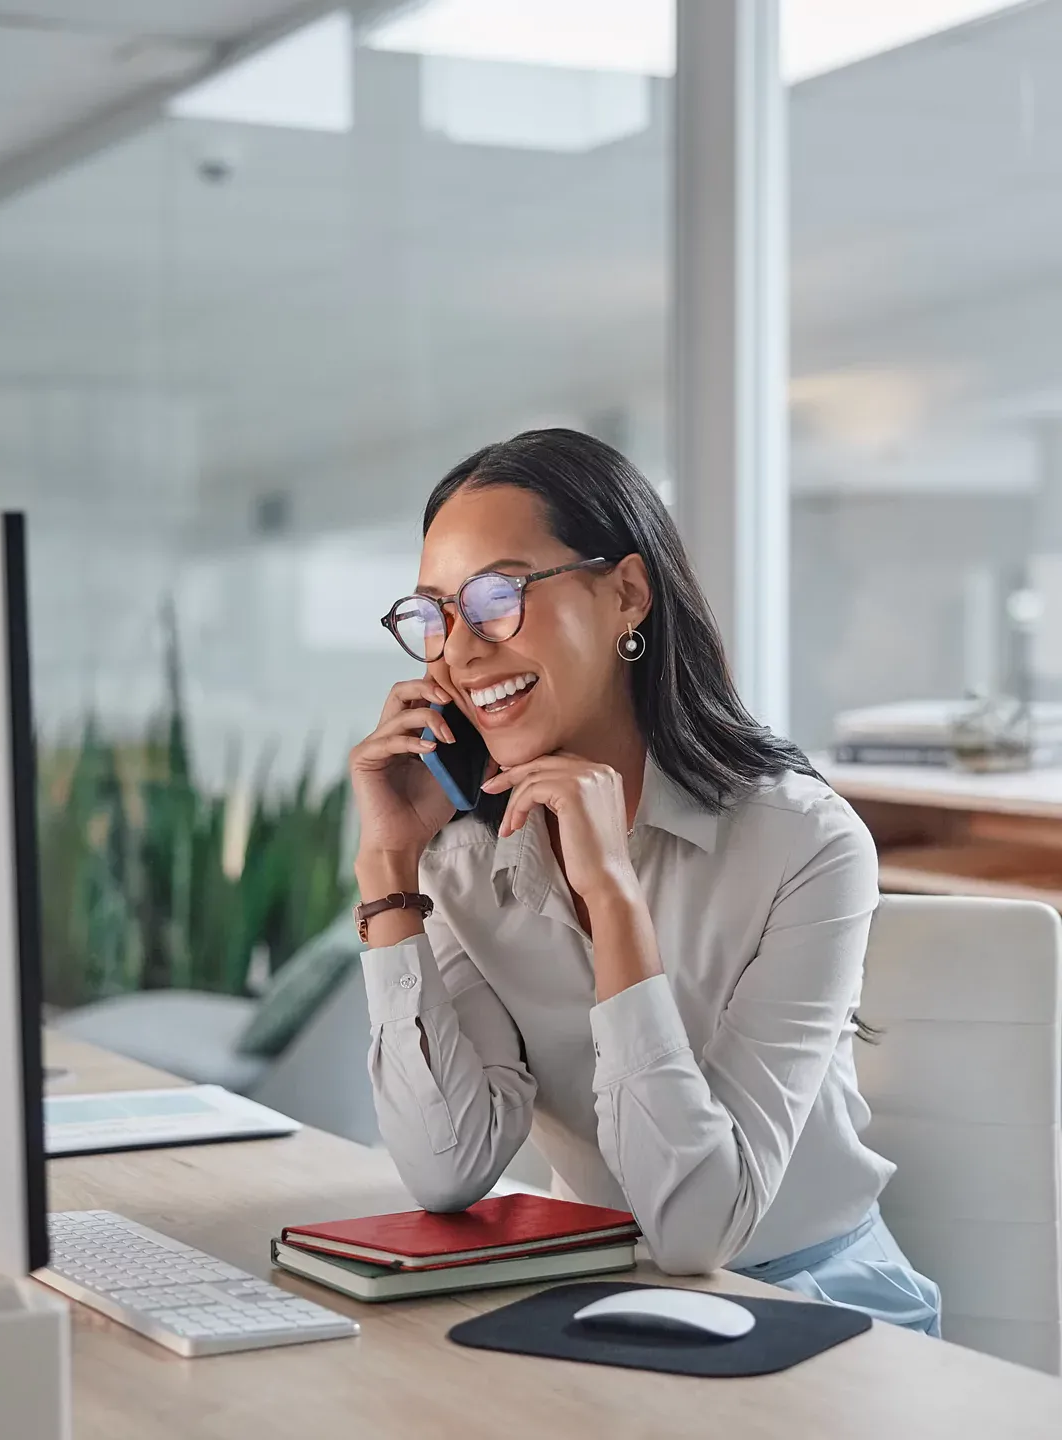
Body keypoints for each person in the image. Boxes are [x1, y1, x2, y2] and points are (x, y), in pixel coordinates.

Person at [349, 429, 941, 1336]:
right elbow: (446, 1167)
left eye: (498, 597)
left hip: (816, 1302)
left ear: (626, 593)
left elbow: (699, 1228)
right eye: (433, 614)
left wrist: (614, 899)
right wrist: (389, 870)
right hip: (595, 1292)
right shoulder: (459, 860)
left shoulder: (805, 843)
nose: (458, 653)